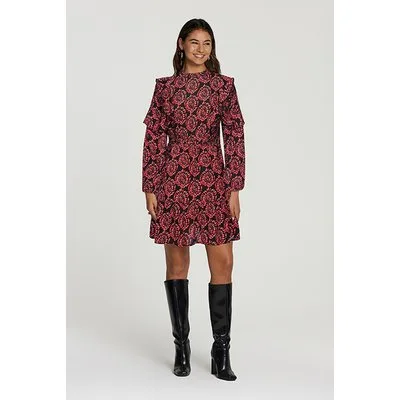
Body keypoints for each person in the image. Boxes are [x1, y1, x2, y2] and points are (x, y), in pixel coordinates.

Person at [141, 18, 245, 381]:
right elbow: (154, 137)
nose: (201, 49)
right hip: (174, 181)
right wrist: (150, 186)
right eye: (195, 42)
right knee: (177, 265)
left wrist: (234, 187)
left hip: (214, 180)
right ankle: (181, 348)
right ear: (181, 44)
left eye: (207, 43)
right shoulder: (165, 89)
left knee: (223, 262)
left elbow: (234, 136)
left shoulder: (223, 87)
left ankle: (221, 351)